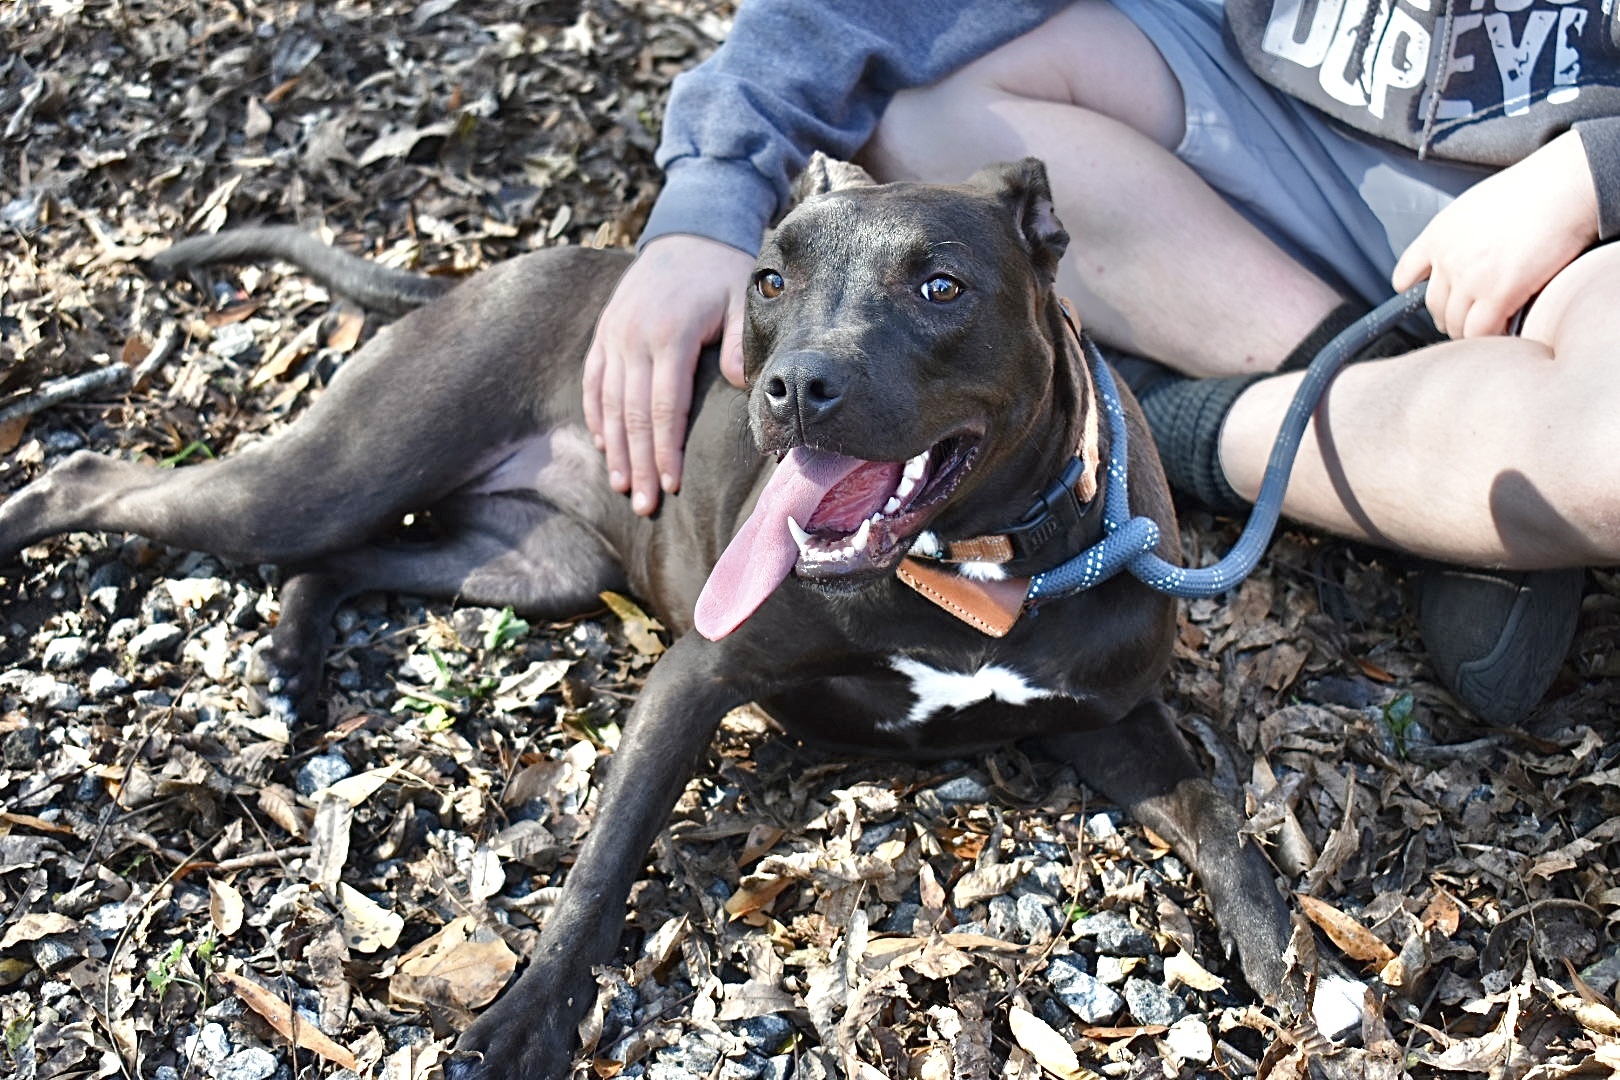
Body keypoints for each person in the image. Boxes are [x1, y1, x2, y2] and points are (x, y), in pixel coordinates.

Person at [580, 0, 1620, 724]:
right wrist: (709, 201)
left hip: (1574, 207)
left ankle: (1192, 420)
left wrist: (1587, 175)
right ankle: (1410, 435)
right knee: (931, 116)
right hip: (1259, 113)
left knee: (1605, 455)